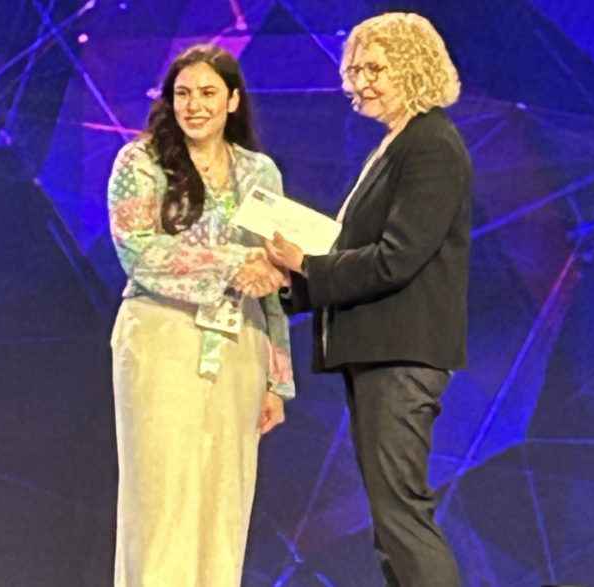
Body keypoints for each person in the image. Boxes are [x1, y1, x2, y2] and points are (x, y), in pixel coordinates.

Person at [265, 13, 470, 587]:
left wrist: (303, 265)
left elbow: (396, 257)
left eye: (376, 68)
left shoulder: (430, 144)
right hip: (378, 352)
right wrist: (290, 285)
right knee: (390, 517)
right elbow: (359, 252)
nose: (361, 82)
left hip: (402, 356)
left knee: (401, 514)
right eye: (354, 70)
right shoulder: (397, 144)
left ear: (415, 67)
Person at [107, 44, 295, 587]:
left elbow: (274, 281)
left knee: (224, 501)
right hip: (160, 342)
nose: (195, 105)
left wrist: (276, 380)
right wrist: (237, 264)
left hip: (241, 347)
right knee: (161, 499)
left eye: (208, 93)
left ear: (232, 100)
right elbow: (140, 254)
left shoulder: (261, 172)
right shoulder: (138, 162)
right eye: (183, 93)